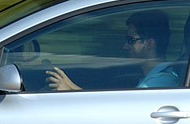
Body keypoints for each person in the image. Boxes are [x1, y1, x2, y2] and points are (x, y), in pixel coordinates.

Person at [46, 9, 179, 91]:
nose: (125, 46)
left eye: (130, 40)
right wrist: (71, 88)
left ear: (149, 44)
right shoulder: (157, 78)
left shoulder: (156, 84)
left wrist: (71, 90)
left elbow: (120, 116)